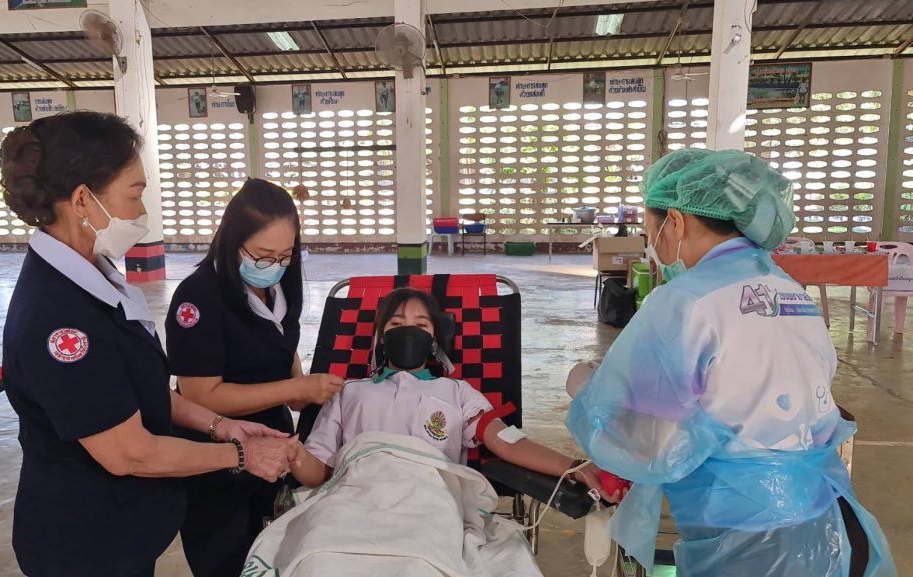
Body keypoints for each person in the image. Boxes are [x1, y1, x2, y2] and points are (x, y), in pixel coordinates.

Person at [567, 148, 896, 577]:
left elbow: (650, 443)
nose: (652, 245)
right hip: (830, 522)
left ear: (676, 221)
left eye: (650, 230)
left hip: (752, 540)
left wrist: (589, 388)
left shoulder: (684, 301)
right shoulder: (786, 288)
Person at [0, 112, 298, 577]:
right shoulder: (61, 321)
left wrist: (221, 425)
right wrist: (242, 455)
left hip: (126, 530)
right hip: (85, 544)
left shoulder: (95, 278)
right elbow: (128, 452)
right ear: (83, 200)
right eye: (134, 194)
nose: (141, 212)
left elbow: (140, 390)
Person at [164, 178, 344, 577]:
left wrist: (299, 386)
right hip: (217, 456)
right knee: (226, 558)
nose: (274, 266)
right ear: (232, 242)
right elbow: (200, 394)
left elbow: (281, 342)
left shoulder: (282, 285)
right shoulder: (198, 298)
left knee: (274, 553)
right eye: (262, 256)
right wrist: (293, 388)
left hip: (273, 445)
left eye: (285, 255)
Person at [290, 287, 619, 502]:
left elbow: (506, 441)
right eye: (396, 324)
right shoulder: (347, 392)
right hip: (355, 499)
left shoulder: (457, 392)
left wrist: (572, 467)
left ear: (434, 340)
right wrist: (292, 454)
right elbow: (319, 471)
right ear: (381, 338)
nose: (409, 331)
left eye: (421, 325)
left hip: (430, 502)